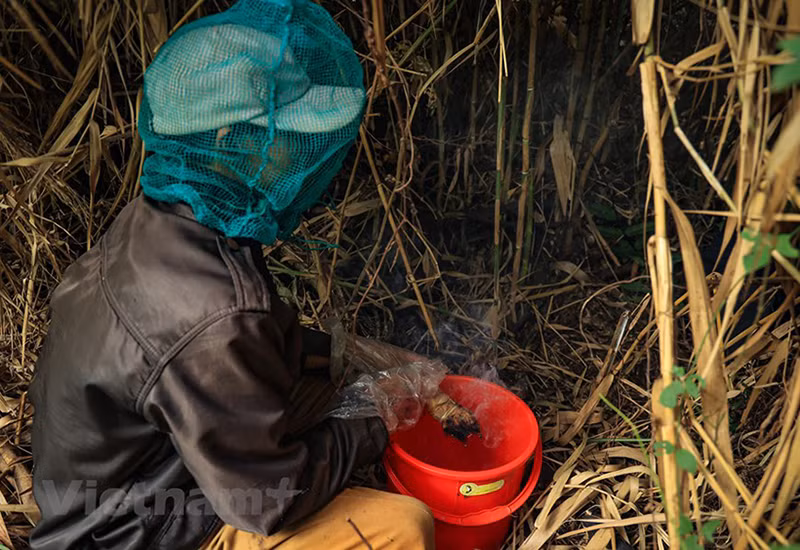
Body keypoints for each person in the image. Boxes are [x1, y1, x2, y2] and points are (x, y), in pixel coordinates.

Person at [28, 1, 436, 548]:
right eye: (286, 136)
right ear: (227, 145)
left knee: (329, 385)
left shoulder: (156, 221)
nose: (300, 155)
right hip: (137, 532)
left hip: (116, 490)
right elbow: (268, 503)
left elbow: (239, 347)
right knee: (405, 527)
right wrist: (377, 421)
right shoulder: (216, 309)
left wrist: (354, 354)